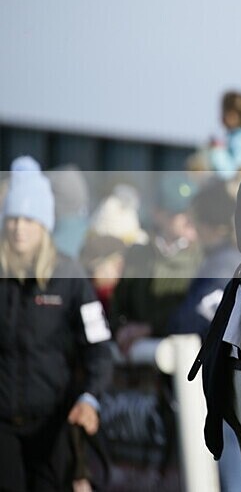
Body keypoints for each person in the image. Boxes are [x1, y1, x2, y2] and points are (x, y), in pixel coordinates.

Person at [0, 156, 113, 491]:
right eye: (13, 218)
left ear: (45, 224)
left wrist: (90, 398)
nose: (19, 228)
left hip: (54, 424)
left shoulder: (70, 276)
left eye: (29, 219)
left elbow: (99, 349)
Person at [167, 180, 241, 492]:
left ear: (209, 225)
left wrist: (155, 326)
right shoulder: (222, 258)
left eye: (195, 221)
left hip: (233, 389)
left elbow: (189, 318)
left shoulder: (223, 263)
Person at [112, 172, 202, 353]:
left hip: (184, 359)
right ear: (158, 214)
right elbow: (118, 305)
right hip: (139, 361)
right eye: (180, 213)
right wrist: (121, 329)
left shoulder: (203, 258)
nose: (189, 219)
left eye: (192, 212)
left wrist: (151, 328)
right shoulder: (138, 254)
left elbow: (196, 311)